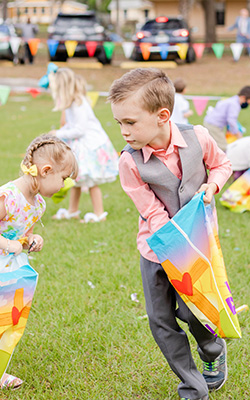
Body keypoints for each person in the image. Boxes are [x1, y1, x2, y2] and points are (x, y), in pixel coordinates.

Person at [108, 68, 232, 400]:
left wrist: (212, 185)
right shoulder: (130, 162)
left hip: (198, 247)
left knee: (194, 313)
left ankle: (212, 351)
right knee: (161, 321)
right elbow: (152, 212)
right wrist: (172, 247)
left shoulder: (199, 137)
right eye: (119, 123)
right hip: (156, 251)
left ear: (163, 116)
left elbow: (223, 165)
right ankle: (193, 389)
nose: (123, 131)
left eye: (130, 123)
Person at [0, 134, 78, 390]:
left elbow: (23, 232)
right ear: (46, 170)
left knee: (7, 321)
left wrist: (33, 238)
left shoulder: (38, 204)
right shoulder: (8, 197)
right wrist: (6, 244)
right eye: (64, 178)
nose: (65, 185)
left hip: (11, 269)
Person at [48, 67, 119, 223]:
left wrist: (59, 134)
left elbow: (80, 129)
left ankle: (99, 214)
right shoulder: (73, 103)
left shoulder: (78, 103)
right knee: (77, 180)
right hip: (83, 146)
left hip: (91, 146)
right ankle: (72, 211)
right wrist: (60, 131)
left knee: (91, 181)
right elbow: (72, 125)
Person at [203, 86, 250, 151]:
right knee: (223, 147)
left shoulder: (233, 100)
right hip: (214, 125)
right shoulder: (235, 104)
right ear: (243, 97)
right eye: (248, 100)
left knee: (215, 145)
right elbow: (231, 120)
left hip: (211, 123)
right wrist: (238, 134)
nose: (248, 103)